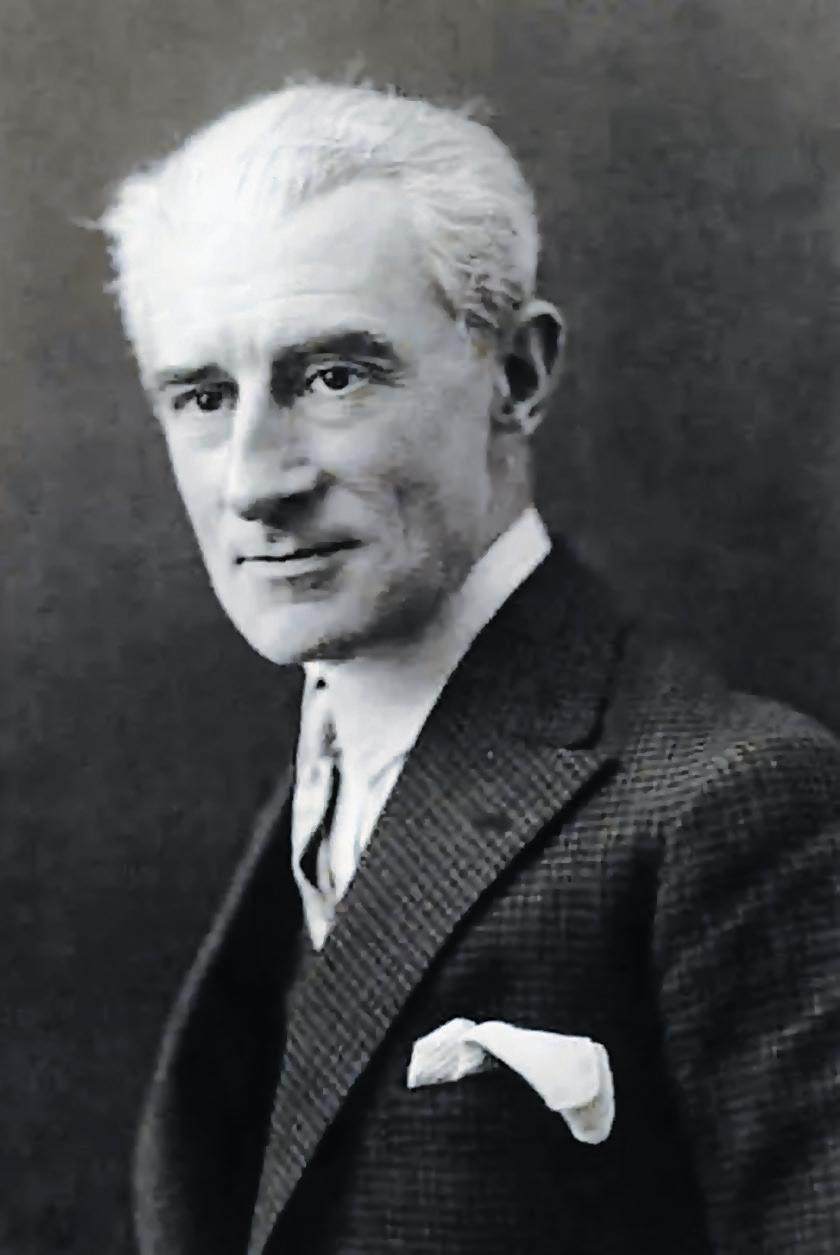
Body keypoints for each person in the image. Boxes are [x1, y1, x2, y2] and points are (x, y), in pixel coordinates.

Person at [99, 81, 840, 1255]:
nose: (252, 480)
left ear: (518, 376)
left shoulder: (735, 806)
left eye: (332, 377)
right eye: (203, 396)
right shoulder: (295, 786)